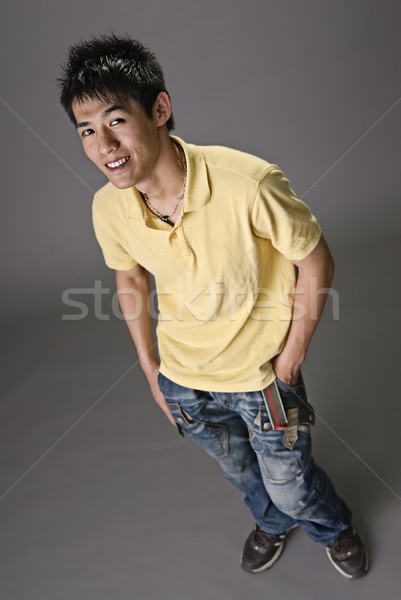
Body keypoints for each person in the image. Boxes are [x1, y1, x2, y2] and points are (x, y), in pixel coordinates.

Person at [58, 33, 368, 579]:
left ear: (159, 108)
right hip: (185, 382)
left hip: (261, 376)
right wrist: (153, 372)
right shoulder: (107, 207)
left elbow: (316, 262)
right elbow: (129, 279)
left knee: (291, 485)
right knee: (243, 475)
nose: (103, 144)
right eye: (86, 130)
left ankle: (330, 525)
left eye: (115, 120)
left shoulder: (248, 182)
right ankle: (270, 524)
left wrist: (289, 364)